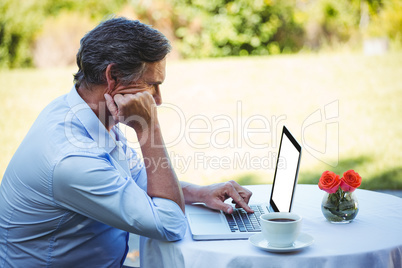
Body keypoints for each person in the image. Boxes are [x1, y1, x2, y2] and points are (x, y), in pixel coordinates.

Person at [0, 17, 253, 267]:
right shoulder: (72, 158)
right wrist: (149, 129)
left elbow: (135, 178)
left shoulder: (83, 113)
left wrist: (200, 192)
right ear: (114, 77)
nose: (158, 100)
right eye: (152, 85)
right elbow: (170, 224)